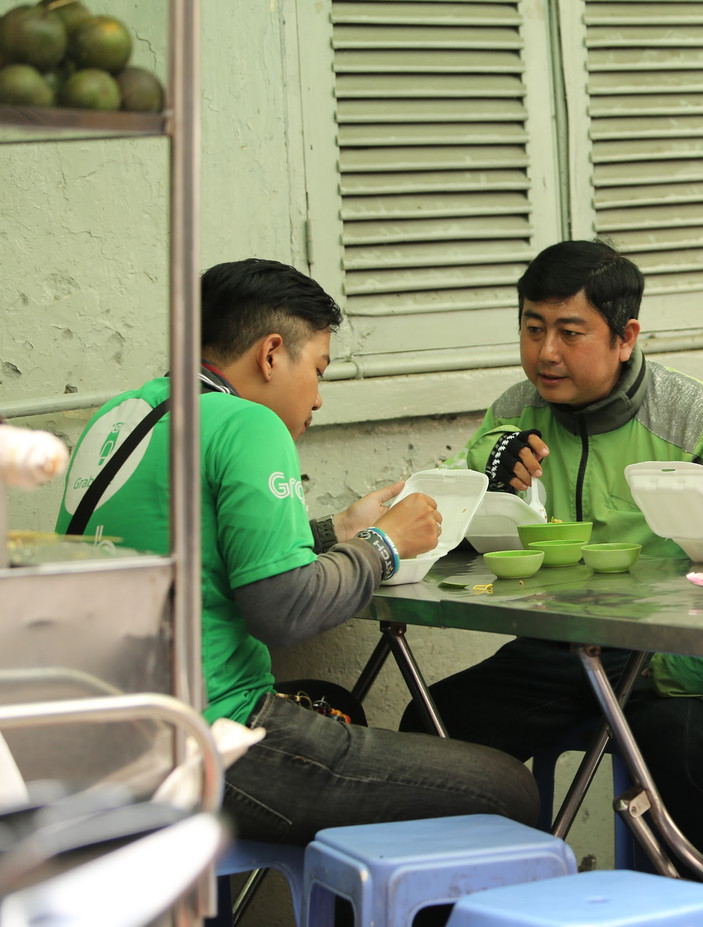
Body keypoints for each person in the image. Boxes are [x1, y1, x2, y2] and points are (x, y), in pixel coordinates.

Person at [54, 258, 538, 843]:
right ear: (271, 353)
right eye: (319, 369)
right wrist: (384, 544)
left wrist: (338, 530)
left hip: (100, 736)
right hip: (209, 739)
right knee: (505, 788)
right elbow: (283, 609)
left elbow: (209, 549)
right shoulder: (247, 425)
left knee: (337, 705)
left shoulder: (122, 416)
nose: (318, 398)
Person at [399, 240, 703, 858]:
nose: (546, 353)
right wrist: (483, 469)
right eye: (532, 329)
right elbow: (431, 519)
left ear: (625, 336)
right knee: (434, 725)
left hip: (673, 668)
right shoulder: (517, 411)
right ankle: (482, 897)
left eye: (569, 332)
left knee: (689, 756)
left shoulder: (688, 416)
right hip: (563, 653)